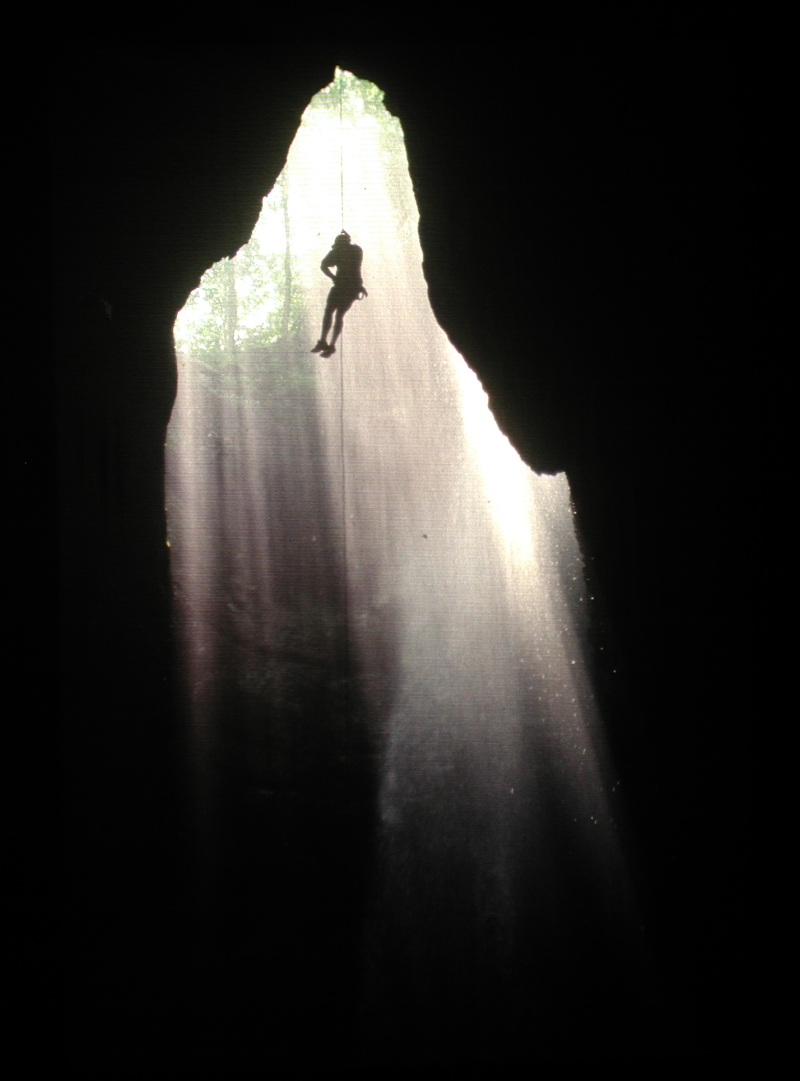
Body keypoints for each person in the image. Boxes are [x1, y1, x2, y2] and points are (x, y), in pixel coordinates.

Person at [311, 231, 367, 357]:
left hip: (340, 286)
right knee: (339, 315)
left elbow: (323, 265)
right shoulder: (357, 250)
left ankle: (323, 341)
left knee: (329, 312)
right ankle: (331, 345)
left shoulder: (336, 252)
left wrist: (333, 277)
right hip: (354, 288)